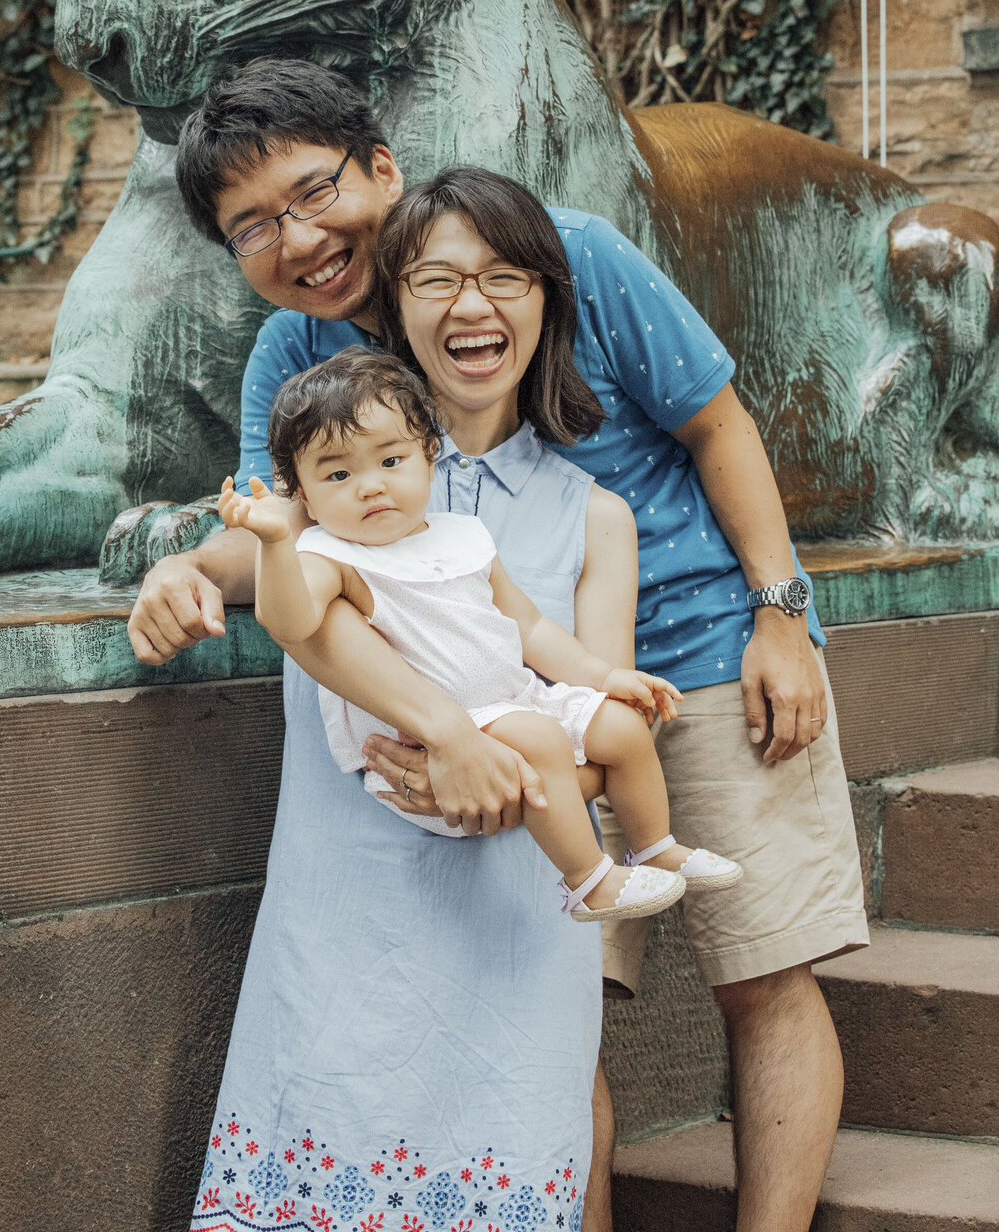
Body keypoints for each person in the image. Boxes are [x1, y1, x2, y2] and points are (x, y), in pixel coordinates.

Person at [132, 60, 869, 1232]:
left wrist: (780, 612)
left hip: (701, 650)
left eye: (315, 192)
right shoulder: (298, 356)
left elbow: (718, 423)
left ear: (382, 168)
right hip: (500, 694)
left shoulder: (555, 254)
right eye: (256, 225)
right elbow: (280, 535)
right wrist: (181, 567)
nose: (301, 238)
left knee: (763, 969)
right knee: (558, 1019)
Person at [221, 344, 743, 920]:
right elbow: (290, 622)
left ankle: (655, 848)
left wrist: (603, 677)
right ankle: (588, 880)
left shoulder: (462, 535)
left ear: (429, 454)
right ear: (303, 493)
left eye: (390, 460)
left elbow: (530, 625)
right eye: (338, 474)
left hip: (513, 698)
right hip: (430, 740)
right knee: (542, 739)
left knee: (621, 727)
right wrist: (275, 543)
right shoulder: (330, 555)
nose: (370, 486)